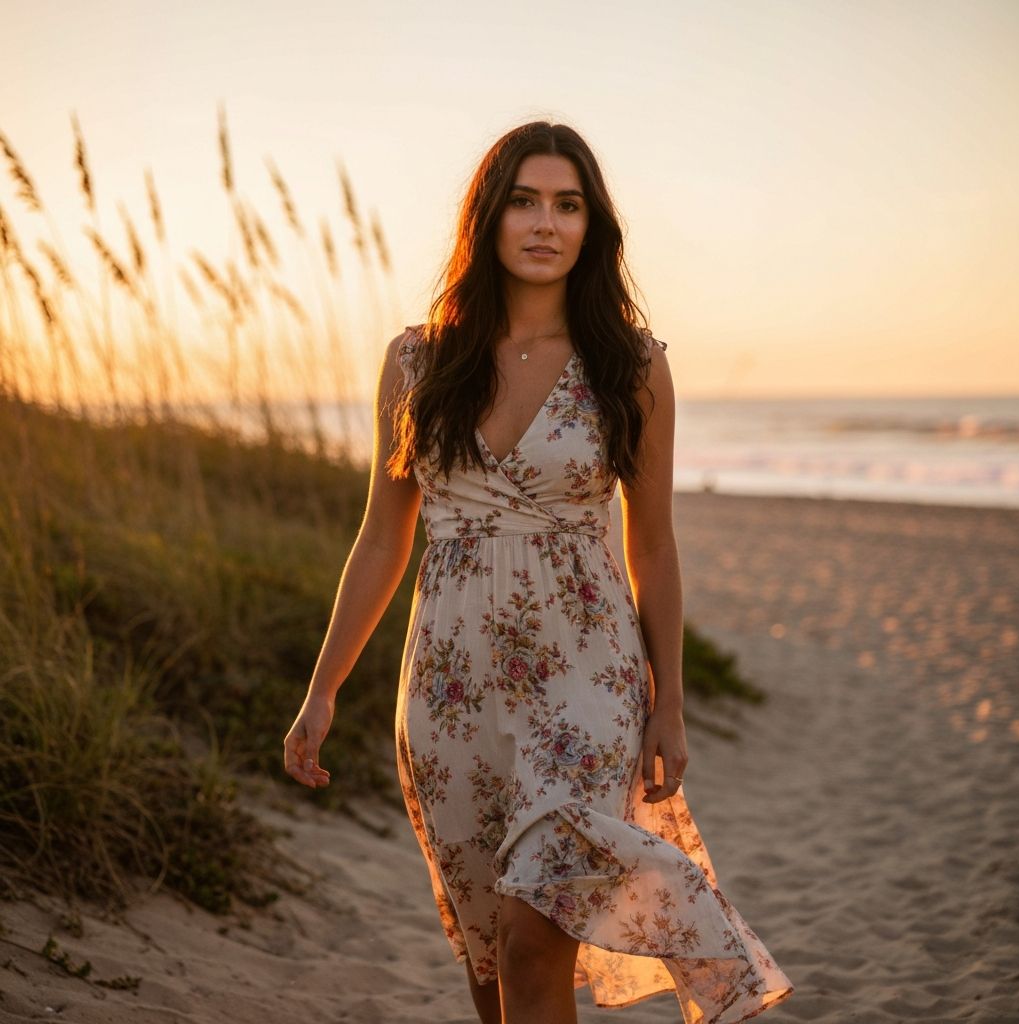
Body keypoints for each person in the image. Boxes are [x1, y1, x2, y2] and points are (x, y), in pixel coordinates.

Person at [283, 121, 794, 1024]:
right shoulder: (417, 362)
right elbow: (379, 539)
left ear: (593, 227)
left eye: (568, 205)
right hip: (447, 687)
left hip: (585, 680)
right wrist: (324, 688)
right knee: (488, 956)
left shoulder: (631, 366)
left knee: (533, 933)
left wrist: (667, 698)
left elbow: (654, 545)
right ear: (487, 218)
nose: (545, 223)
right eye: (523, 201)